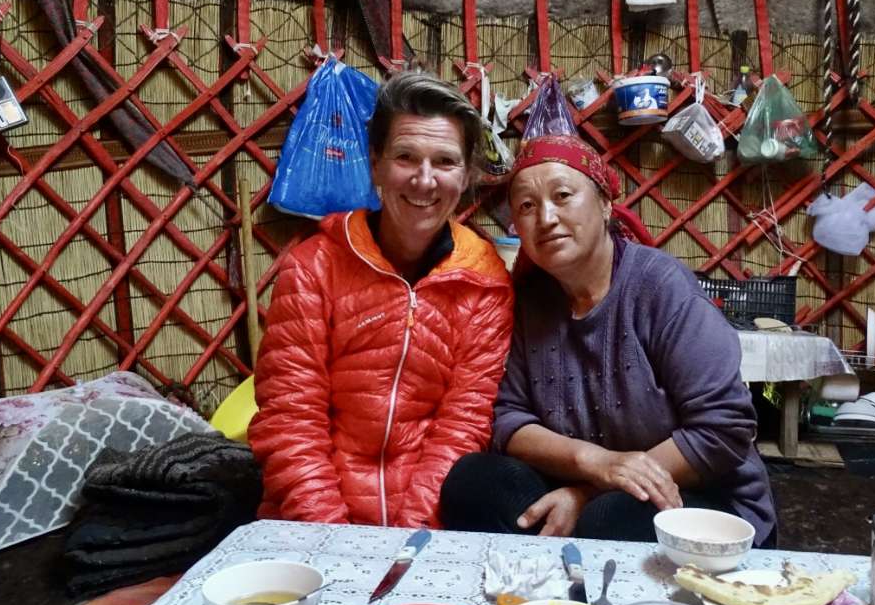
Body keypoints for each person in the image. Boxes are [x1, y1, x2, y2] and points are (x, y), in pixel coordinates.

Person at [438, 134, 778, 546]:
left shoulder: (660, 288)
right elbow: (510, 419)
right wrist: (593, 462)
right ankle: (551, 574)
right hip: (579, 481)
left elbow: (723, 428)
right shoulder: (529, 301)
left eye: (562, 196)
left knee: (610, 519)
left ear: (605, 204)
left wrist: (588, 492)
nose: (546, 217)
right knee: (473, 482)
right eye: (526, 206)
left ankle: (572, 563)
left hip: (701, 495)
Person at [249, 71, 513, 528]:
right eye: (406, 157)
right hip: (312, 521)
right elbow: (291, 417)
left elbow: (463, 426)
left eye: (445, 162)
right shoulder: (315, 267)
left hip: (430, 525)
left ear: (468, 175)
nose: (424, 181)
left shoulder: (484, 282)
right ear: (375, 164)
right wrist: (336, 538)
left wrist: (410, 541)